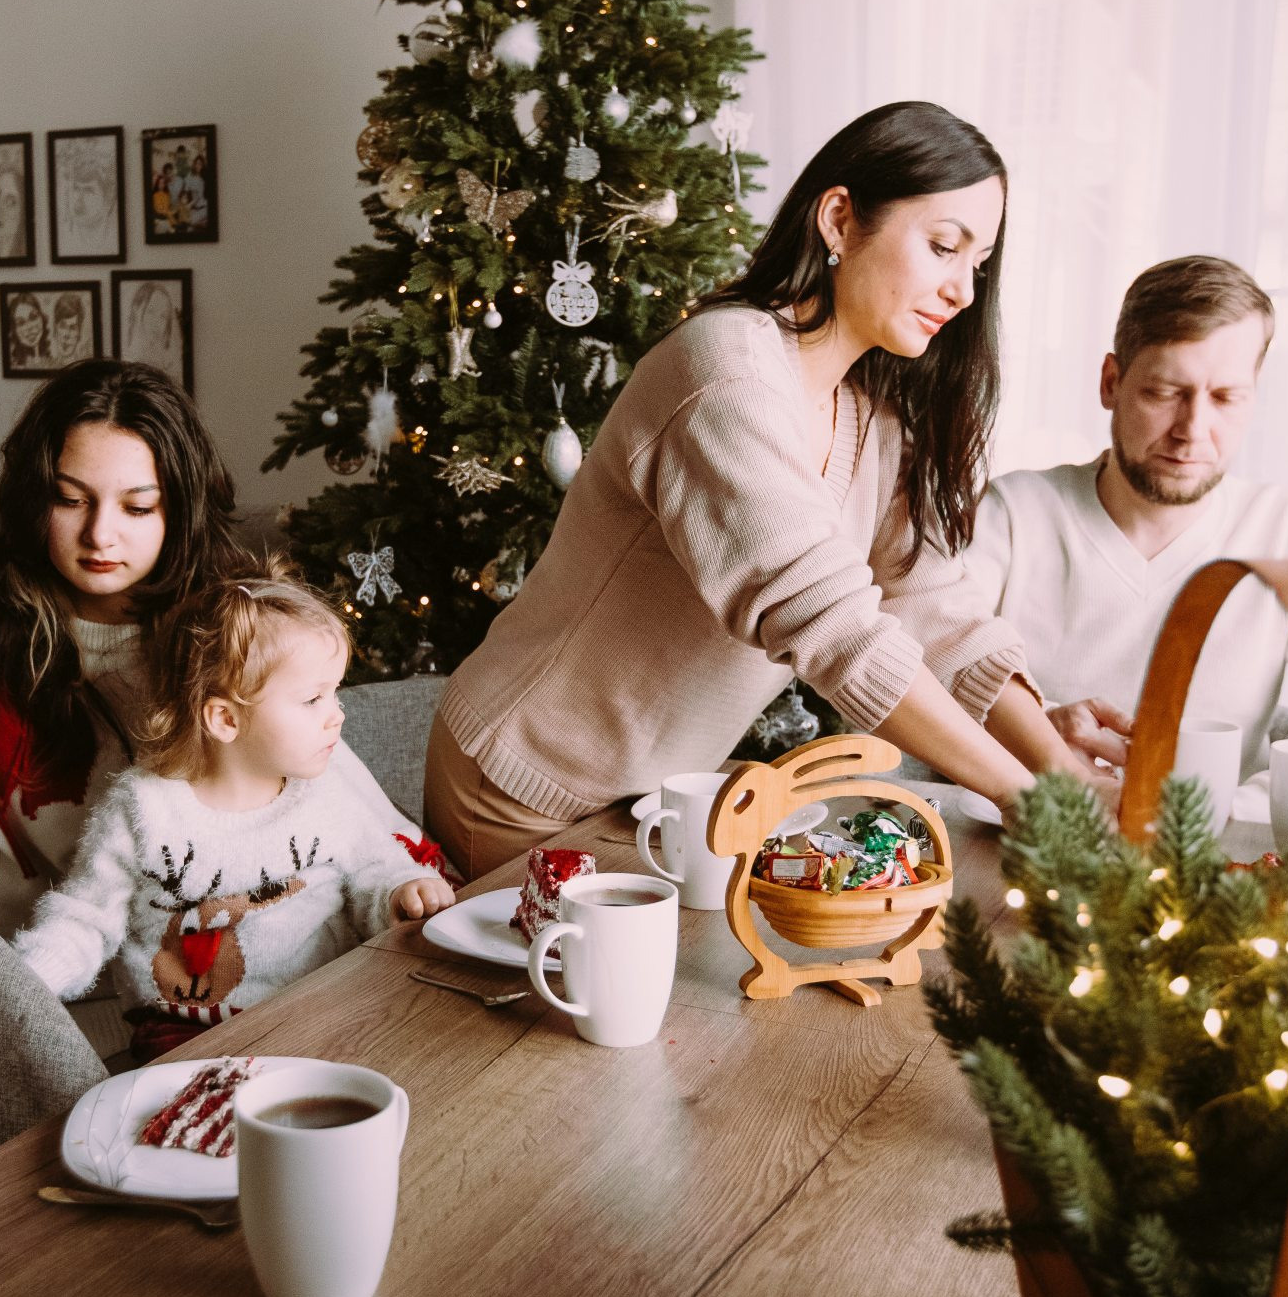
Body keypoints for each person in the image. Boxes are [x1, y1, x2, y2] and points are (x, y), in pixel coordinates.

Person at [425, 101, 1081, 878]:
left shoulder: (875, 412)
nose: (964, 292)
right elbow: (836, 627)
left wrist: (1061, 770)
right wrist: (1021, 795)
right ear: (839, 220)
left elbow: (934, 606)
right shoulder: (725, 372)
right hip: (523, 788)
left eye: (977, 263)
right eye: (943, 246)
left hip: (645, 801)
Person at [0, 359, 417, 935]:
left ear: (179, 511)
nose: (99, 534)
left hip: (291, 962)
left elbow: (367, 829)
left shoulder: (237, 644)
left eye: (137, 507)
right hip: (84, 981)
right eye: (71, 500)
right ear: (35, 501)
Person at [960, 255, 1288, 811]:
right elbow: (916, 688)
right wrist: (1034, 735)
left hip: (1206, 871)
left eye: (1225, 398)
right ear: (1111, 382)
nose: (1192, 431)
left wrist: (1217, 815)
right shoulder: (1013, 514)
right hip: (1023, 842)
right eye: (1165, 393)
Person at [17, 571, 455, 1059]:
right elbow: (86, 916)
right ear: (225, 719)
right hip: (186, 1028)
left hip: (324, 1003)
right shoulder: (143, 807)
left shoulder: (325, 790)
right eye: (312, 699)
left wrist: (401, 892)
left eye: (334, 692)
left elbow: (378, 868)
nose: (337, 714)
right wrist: (33, 975)